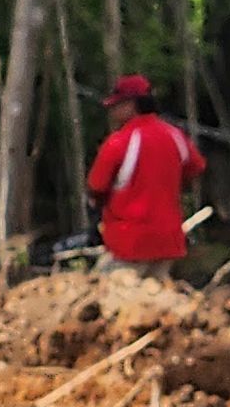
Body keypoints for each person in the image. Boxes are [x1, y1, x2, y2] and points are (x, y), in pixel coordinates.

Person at [85, 74, 206, 280]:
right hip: (168, 241)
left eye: (116, 105)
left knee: (105, 294)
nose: (112, 111)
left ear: (132, 105)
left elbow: (96, 186)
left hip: (129, 242)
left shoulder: (120, 141)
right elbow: (196, 167)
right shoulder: (175, 135)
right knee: (157, 301)